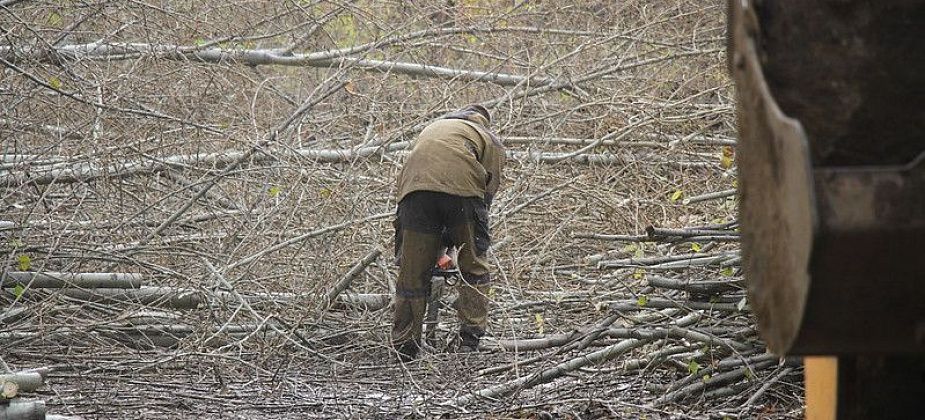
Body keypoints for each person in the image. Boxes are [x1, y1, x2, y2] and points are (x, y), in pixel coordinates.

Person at [391, 104, 505, 361]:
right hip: (463, 192)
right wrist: (463, 242)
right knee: (474, 267)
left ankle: (404, 346)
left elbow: (428, 184)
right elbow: (487, 192)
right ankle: (469, 340)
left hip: (413, 193)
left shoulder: (432, 129)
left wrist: (441, 248)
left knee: (412, 272)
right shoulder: (487, 137)